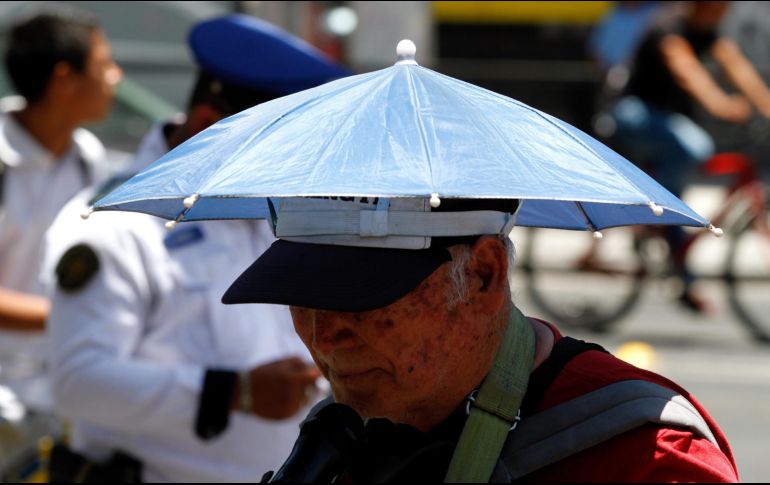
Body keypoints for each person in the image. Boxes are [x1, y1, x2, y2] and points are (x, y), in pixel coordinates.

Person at [220, 194, 740, 481]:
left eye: (360, 296)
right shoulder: (337, 446)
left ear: (485, 276)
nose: (323, 335)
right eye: (298, 296)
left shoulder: (649, 459)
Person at [43, 15, 350, 483]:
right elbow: (77, 381)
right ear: (210, 124)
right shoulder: (114, 222)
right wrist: (234, 392)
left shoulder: (265, 210)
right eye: (275, 149)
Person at [605, 0, 770, 312]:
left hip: (666, 120)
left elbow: (737, 67)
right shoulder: (668, 25)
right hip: (632, 114)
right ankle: (658, 212)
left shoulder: (708, 31)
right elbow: (686, 70)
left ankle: (675, 254)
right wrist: (720, 104)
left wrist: (765, 105)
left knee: (689, 150)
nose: (726, 11)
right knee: (696, 147)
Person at [0, 6, 121, 411]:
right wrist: (71, 315)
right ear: (64, 79)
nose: (115, 76)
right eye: (104, 64)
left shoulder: (89, 156)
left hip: (62, 390)